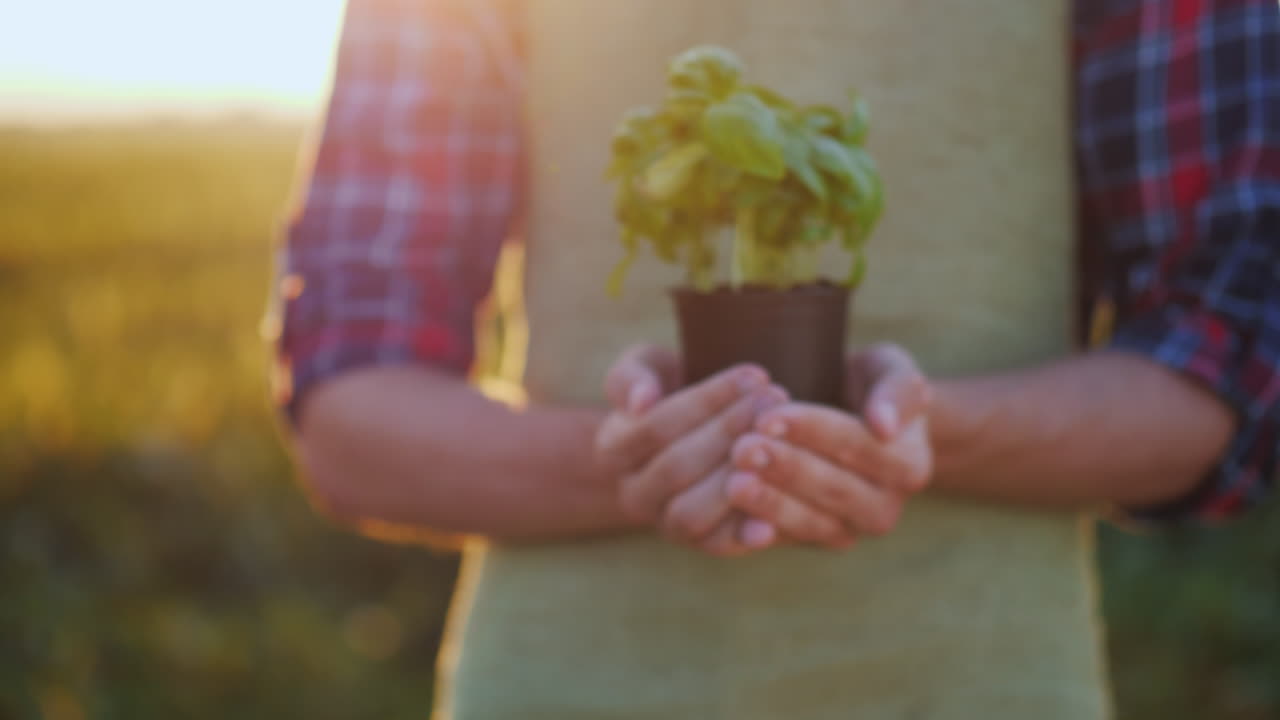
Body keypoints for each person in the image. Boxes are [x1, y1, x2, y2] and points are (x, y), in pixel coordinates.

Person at [271, 0, 1279, 717]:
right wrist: (648, 460)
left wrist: (907, 434)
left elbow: (1221, 363)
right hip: (563, 683)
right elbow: (353, 411)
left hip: (978, 683)